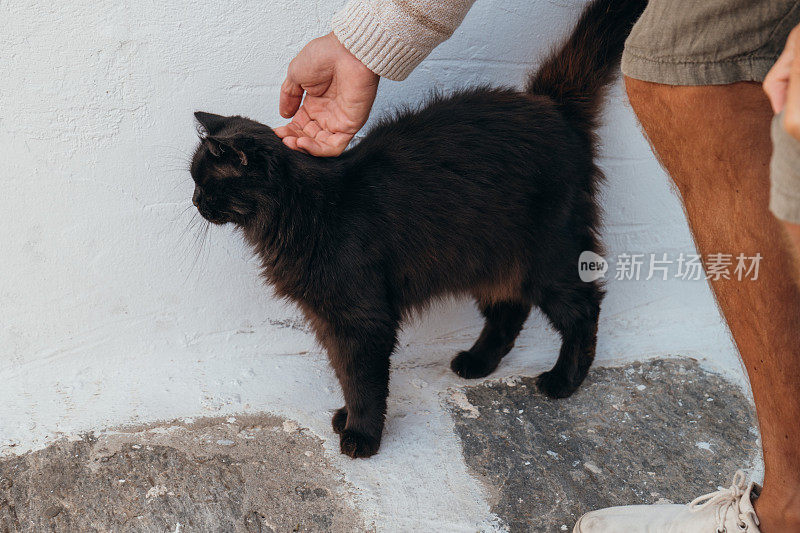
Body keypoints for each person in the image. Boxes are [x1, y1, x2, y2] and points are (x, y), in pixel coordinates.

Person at [275, 1, 800, 531]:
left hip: (535, 166)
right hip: (499, 170)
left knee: (556, 277)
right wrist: (364, 43)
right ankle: (498, 336)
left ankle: (578, 345)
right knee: (498, 266)